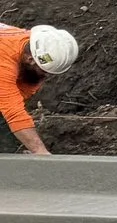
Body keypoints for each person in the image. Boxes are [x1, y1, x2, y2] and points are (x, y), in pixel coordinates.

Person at [0, 24, 78, 156]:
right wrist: (39, 151)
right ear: (30, 59)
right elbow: (13, 112)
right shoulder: (4, 61)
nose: (45, 77)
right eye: (43, 71)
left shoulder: (37, 46)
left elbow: (22, 91)